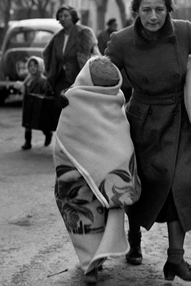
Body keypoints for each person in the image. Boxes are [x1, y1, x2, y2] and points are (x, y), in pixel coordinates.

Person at [104, 0, 191, 282]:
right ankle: (134, 238)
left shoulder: (184, 32)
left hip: (180, 122)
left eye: (160, 9)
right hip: (141, 122)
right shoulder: (121, 40)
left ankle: (175, 259)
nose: (153, 16)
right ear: (136, 12)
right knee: (139, 183)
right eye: (147, 10)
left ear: (168, 11)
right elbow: (102, 76)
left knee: (183, 184)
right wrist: (81, 98)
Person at [53, 56, 140, 285]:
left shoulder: (114, 100)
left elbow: (119, 138)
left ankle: (93, 261)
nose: (103, 91)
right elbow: (67, 136)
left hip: (104, 176)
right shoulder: (75, 99)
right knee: (87, 217)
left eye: (106, 87)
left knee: (94, 218)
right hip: (78, 173)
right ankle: (90, 263)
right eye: (99, 86)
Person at [42, 5, 98, 97]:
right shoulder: (57, 37)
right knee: (59, 107)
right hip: (60, 81)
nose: (63, 18)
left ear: (73, 16)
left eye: (66, 15)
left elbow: (95, 55)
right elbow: (47, 55)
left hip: (79, 80)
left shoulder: (84, 33)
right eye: (60, 16)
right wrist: (49, 75)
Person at [16, 56, 54, 150]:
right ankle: (27, 142)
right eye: (30, 66)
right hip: (28, 104)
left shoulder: (42, 80)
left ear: (40, 67)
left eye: (35, 66)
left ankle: (48, 133)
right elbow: (24, 89)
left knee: (40, 124)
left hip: (38, 105)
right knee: (27, 124)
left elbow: (47, 92)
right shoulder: (28, 79)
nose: (32, 68)